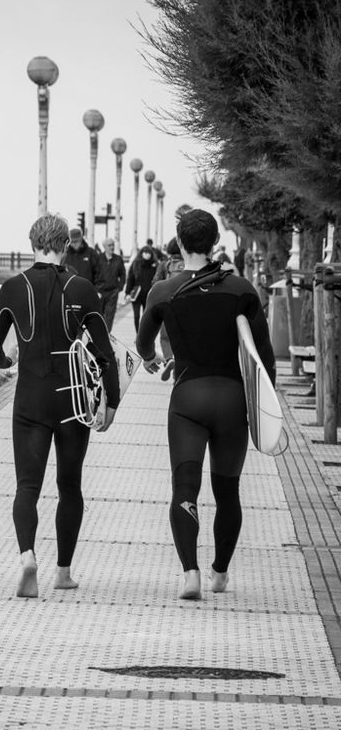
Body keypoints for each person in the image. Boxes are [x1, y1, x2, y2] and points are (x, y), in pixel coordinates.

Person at [135, 209, 275, 601]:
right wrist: (266, 410)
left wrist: (153, 359)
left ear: (180, 243)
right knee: (228, 491)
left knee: (185, 487)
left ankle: (190, 575)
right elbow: (263, 357)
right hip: (232, 400)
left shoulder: (163, 291)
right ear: (214, 243)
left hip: (188, 399)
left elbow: (145, 345)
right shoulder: (242, 290)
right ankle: (220, 573)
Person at [0, 214, 120, 598]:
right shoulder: (83, 288)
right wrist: (112, 402)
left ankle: (28, 556)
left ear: (33, 243)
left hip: (30, 398)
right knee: (69, 486)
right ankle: (63, 572)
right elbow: (105, 353)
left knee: (27, 485)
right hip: (72, 399)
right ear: (65, 245)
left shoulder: (13, 287)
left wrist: (8, 362)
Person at [124, 242, 161, 330]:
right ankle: (138, 334)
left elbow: (158, 280)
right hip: (136, 294)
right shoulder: (136, 264)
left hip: (148, 294)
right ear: (141, 253)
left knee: (146, 317)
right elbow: (130, 279)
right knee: (136, 316)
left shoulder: (155, 266)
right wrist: (127, 293)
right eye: (145, 252)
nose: (147, 254)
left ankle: (142, 335)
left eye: (148, 253)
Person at [63, 226, 107, 294]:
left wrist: (97, 291)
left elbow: (100, 275)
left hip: (87, 293)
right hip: (69, 293)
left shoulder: (91, 254)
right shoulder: (64, 254)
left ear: (81, 240)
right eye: (72, 242)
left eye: (76, 241)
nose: (74, 244)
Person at [98, 237, 126, 330]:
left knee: (110, 316)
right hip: (100, 292)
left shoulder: (118, 259)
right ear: (104, 247)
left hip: (113, 291)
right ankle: (99, 334)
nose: (112, 247)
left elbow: (122, 274)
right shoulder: (98, 259)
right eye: (109, 245)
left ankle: (106, 334)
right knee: (99, 315)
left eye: (113, 245)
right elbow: (94, 273)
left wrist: (120, 287)